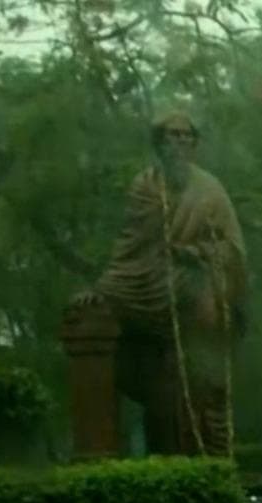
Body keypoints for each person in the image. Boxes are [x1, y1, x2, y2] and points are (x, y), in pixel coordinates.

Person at [70, 111, 248, 457]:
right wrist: (103, 289)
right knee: (93, 313)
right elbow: (131, 244)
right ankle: (97, 453)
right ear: (159, 143)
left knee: (206, 316)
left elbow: (233, 249)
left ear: (195, 144)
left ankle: (208, 434)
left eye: (187, 136)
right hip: (148, 276)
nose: (180, 142)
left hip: (196, 278)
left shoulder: (210, 190)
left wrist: (197, 252)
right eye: (172, 135)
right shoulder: (145, 185)